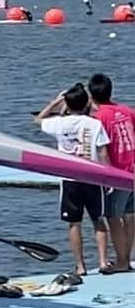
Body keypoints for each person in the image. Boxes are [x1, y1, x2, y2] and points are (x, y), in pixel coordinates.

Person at [35, 84, 111, 275]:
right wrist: (109, 177)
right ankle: (103, 262)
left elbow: (38, 119)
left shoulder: (59, 123)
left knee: (74, 224)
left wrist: (56, 101)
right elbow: (103, 152)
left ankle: (80, 266)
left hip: (70, 179)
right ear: (86, 102)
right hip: (93, 177)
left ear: (67, 105)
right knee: (98, 221)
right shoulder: (94, 124)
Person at [87, 73, 135, 273]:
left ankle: (122, 260)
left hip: (119, 173)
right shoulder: (126, 110)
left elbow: (101, 149)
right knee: (130, 216)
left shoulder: (98, 118)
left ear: (91, 95)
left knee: (113, 217)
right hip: (133, 168)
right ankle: (126, 258)